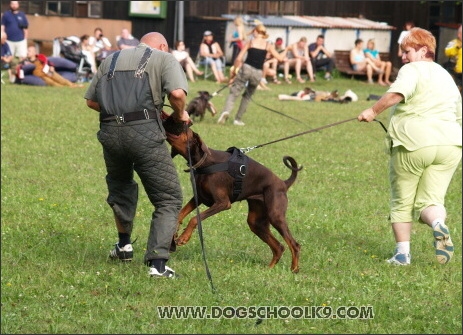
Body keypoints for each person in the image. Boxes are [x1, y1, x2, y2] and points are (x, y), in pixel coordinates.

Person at [84, 32, 190, 278]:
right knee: (168, 198)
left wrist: (120, 113)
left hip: (110, 133)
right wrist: (180, 115)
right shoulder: (163, 58)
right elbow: (176, 94)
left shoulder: (110, 59)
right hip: (144, 135)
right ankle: (158, 264)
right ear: (163, 46)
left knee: (121, 187)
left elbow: (91, 102)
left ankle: (123, 246)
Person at [357, 27, 462, 266]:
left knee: (402, 200)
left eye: (407, 51)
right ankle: (438, 225)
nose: (403, 57)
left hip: (414, 143)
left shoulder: (412, 69)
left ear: (424, 50)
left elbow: (397, 93)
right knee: (432, 201)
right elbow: (459, 115)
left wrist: (373, 111)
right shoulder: (446, 75)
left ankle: (402, 255)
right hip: (450, 144)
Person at [216, 24, 286, 126]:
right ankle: (238, 119)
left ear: (256, 32)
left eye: (253, 31)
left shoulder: (251, 42)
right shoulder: (268, 45)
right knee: (247, 96)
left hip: (246, 68)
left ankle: (226, 112)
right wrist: (287, 49)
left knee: (234, 92)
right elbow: (280, 59)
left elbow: (239, 58)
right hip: (258, 72)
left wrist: (234, 71)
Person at [444, 24, 462, 91]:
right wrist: (457, 47)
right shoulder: (454, 43)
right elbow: (447, 52)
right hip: (455, 72)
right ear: (459, 34)